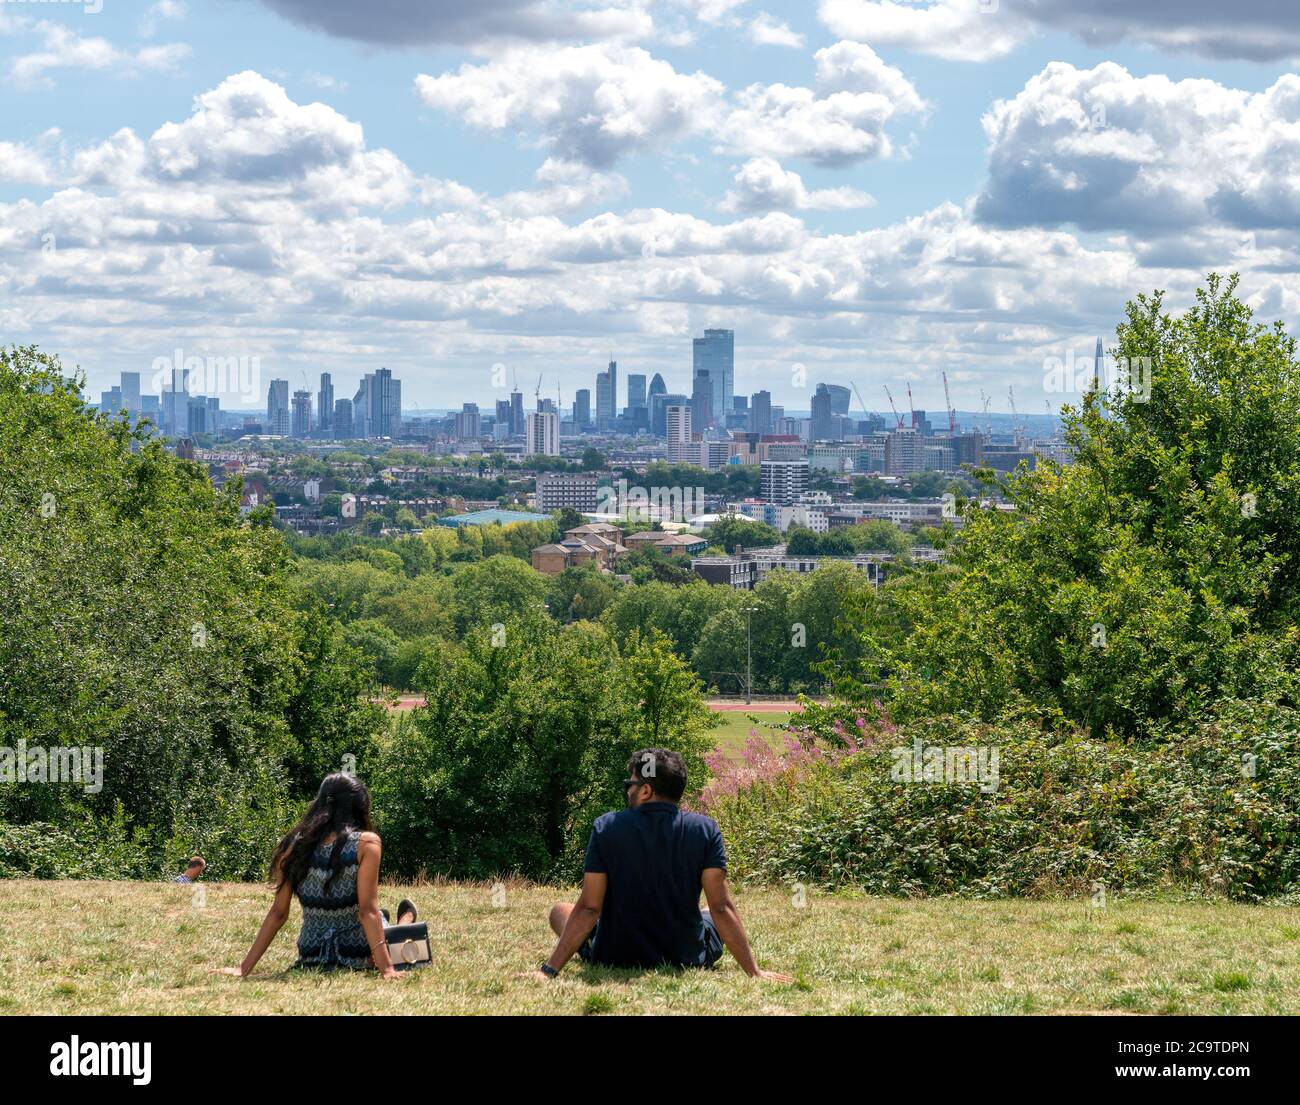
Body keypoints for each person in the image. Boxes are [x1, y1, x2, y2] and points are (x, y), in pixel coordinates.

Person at [537, 747, 792, 982]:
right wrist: (754, 972)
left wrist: (549, 970)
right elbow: (721, 907)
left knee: (560, 910)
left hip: (616, 954)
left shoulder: (606, 827)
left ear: (646, 790)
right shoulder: (705, 830)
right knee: (707, 913)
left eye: (630, 784)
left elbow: (590, 908)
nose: (628, 790)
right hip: (686, 956)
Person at [212, 773, 416, 980]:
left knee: (377, 918)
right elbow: (367, 911)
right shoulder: (367, 844)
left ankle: (392, 919)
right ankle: (405, 920)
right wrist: (387, 969)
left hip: (312, 952)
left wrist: (243, 968)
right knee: (393, 930)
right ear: (359, 806)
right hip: (359, 951)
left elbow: (278, 914)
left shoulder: (292, 847)